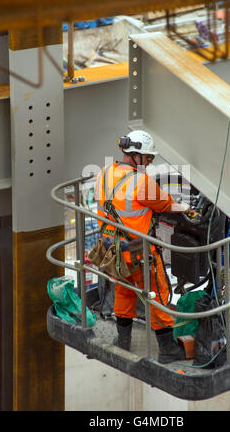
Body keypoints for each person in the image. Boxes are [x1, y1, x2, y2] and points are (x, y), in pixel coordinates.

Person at [95, 130, 192, 364]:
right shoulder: (142, 182)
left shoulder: (104, 173)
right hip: (138, 252)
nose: (149, 163)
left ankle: (123, 341)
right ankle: (167, 349)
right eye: (148, 158)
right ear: (136, 155)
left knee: (124, 291)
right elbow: (166, 204)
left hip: (112, 251)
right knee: (157, 294)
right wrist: (187, 208)